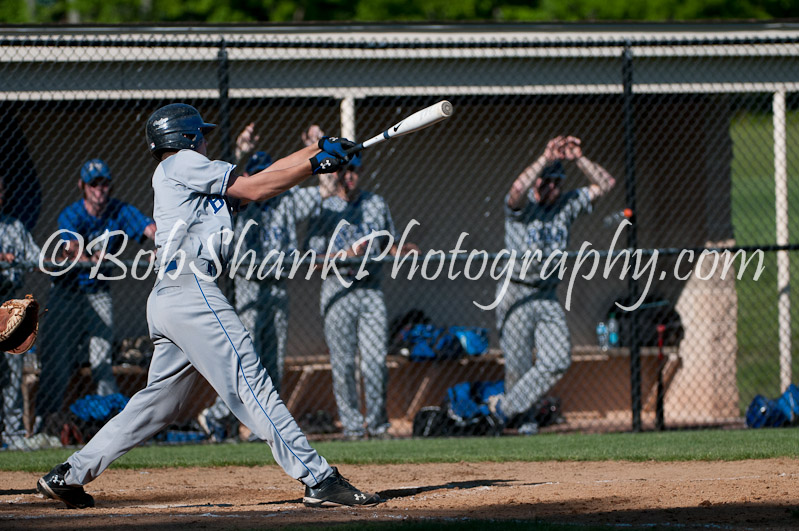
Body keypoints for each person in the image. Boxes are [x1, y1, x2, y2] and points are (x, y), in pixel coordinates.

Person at [36, 103, 380, 509]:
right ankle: (318, 477)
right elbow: (253, 188)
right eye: (200, 134)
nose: (204, 140)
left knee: (156, 406)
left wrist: (319, 152)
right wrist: (314, 163)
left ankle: (69, 474)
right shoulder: (182, 163)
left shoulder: (188, 176)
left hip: (170, 298)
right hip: (191, 288)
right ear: (183, 138)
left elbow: (261, 180)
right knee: (250, 383)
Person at [198, 127, 335, 441]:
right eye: (255, 174)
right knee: (245, 357)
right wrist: (240, 148)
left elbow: (326, 188)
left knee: (273, 360)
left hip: (277, 285)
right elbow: (216, 180)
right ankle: (217, 414)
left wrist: (317, 144)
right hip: (248, 282)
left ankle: (265, 425)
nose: (261, 181)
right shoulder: (240, 200)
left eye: (265, 174)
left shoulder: (285, 198)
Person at [492, 135, 615, 434]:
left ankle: (505, 409)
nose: (551, 187)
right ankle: (525, 422)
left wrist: (578, 159)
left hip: (547, 294)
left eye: (556, 183)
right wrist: (545, 159)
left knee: (558, 358)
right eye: (545, 182)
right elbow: (516, 191)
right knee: (518, 366)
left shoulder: (566, 205)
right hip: (516, 291)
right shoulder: (523, 208)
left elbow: (606, 184)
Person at [305, 151, 417, 440]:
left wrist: (403, 249)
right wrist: (346, 255)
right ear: (335, 173)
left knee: (375, 361)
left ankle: (378, 425)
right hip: (337, 289)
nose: (350, 175)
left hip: (370, 290)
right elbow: (312, 258)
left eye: (355, 170)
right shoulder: (323, 207)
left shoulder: (375, 203)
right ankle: (353, 427)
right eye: (345, 170)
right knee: (342, 364)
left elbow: (388, 242)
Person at [35, 159, 156, 424]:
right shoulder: (72, 214)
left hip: (99, 293)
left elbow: (150, 229)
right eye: (93, 184)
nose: (99, 190)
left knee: (102, 362)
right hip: (67, 293)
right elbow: (72, 247)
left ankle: (111, 424)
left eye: (104, 184)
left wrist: (163, 243)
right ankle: (45, 421)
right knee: (58, 362)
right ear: (83, 186)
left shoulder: (118, 210)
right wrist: (91, 255)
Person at [0, 178, 41, 450]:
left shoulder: (14, 227)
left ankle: (13, 433)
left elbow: (37, 257)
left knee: (13, 373)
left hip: (8, 305)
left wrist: (59, 254)